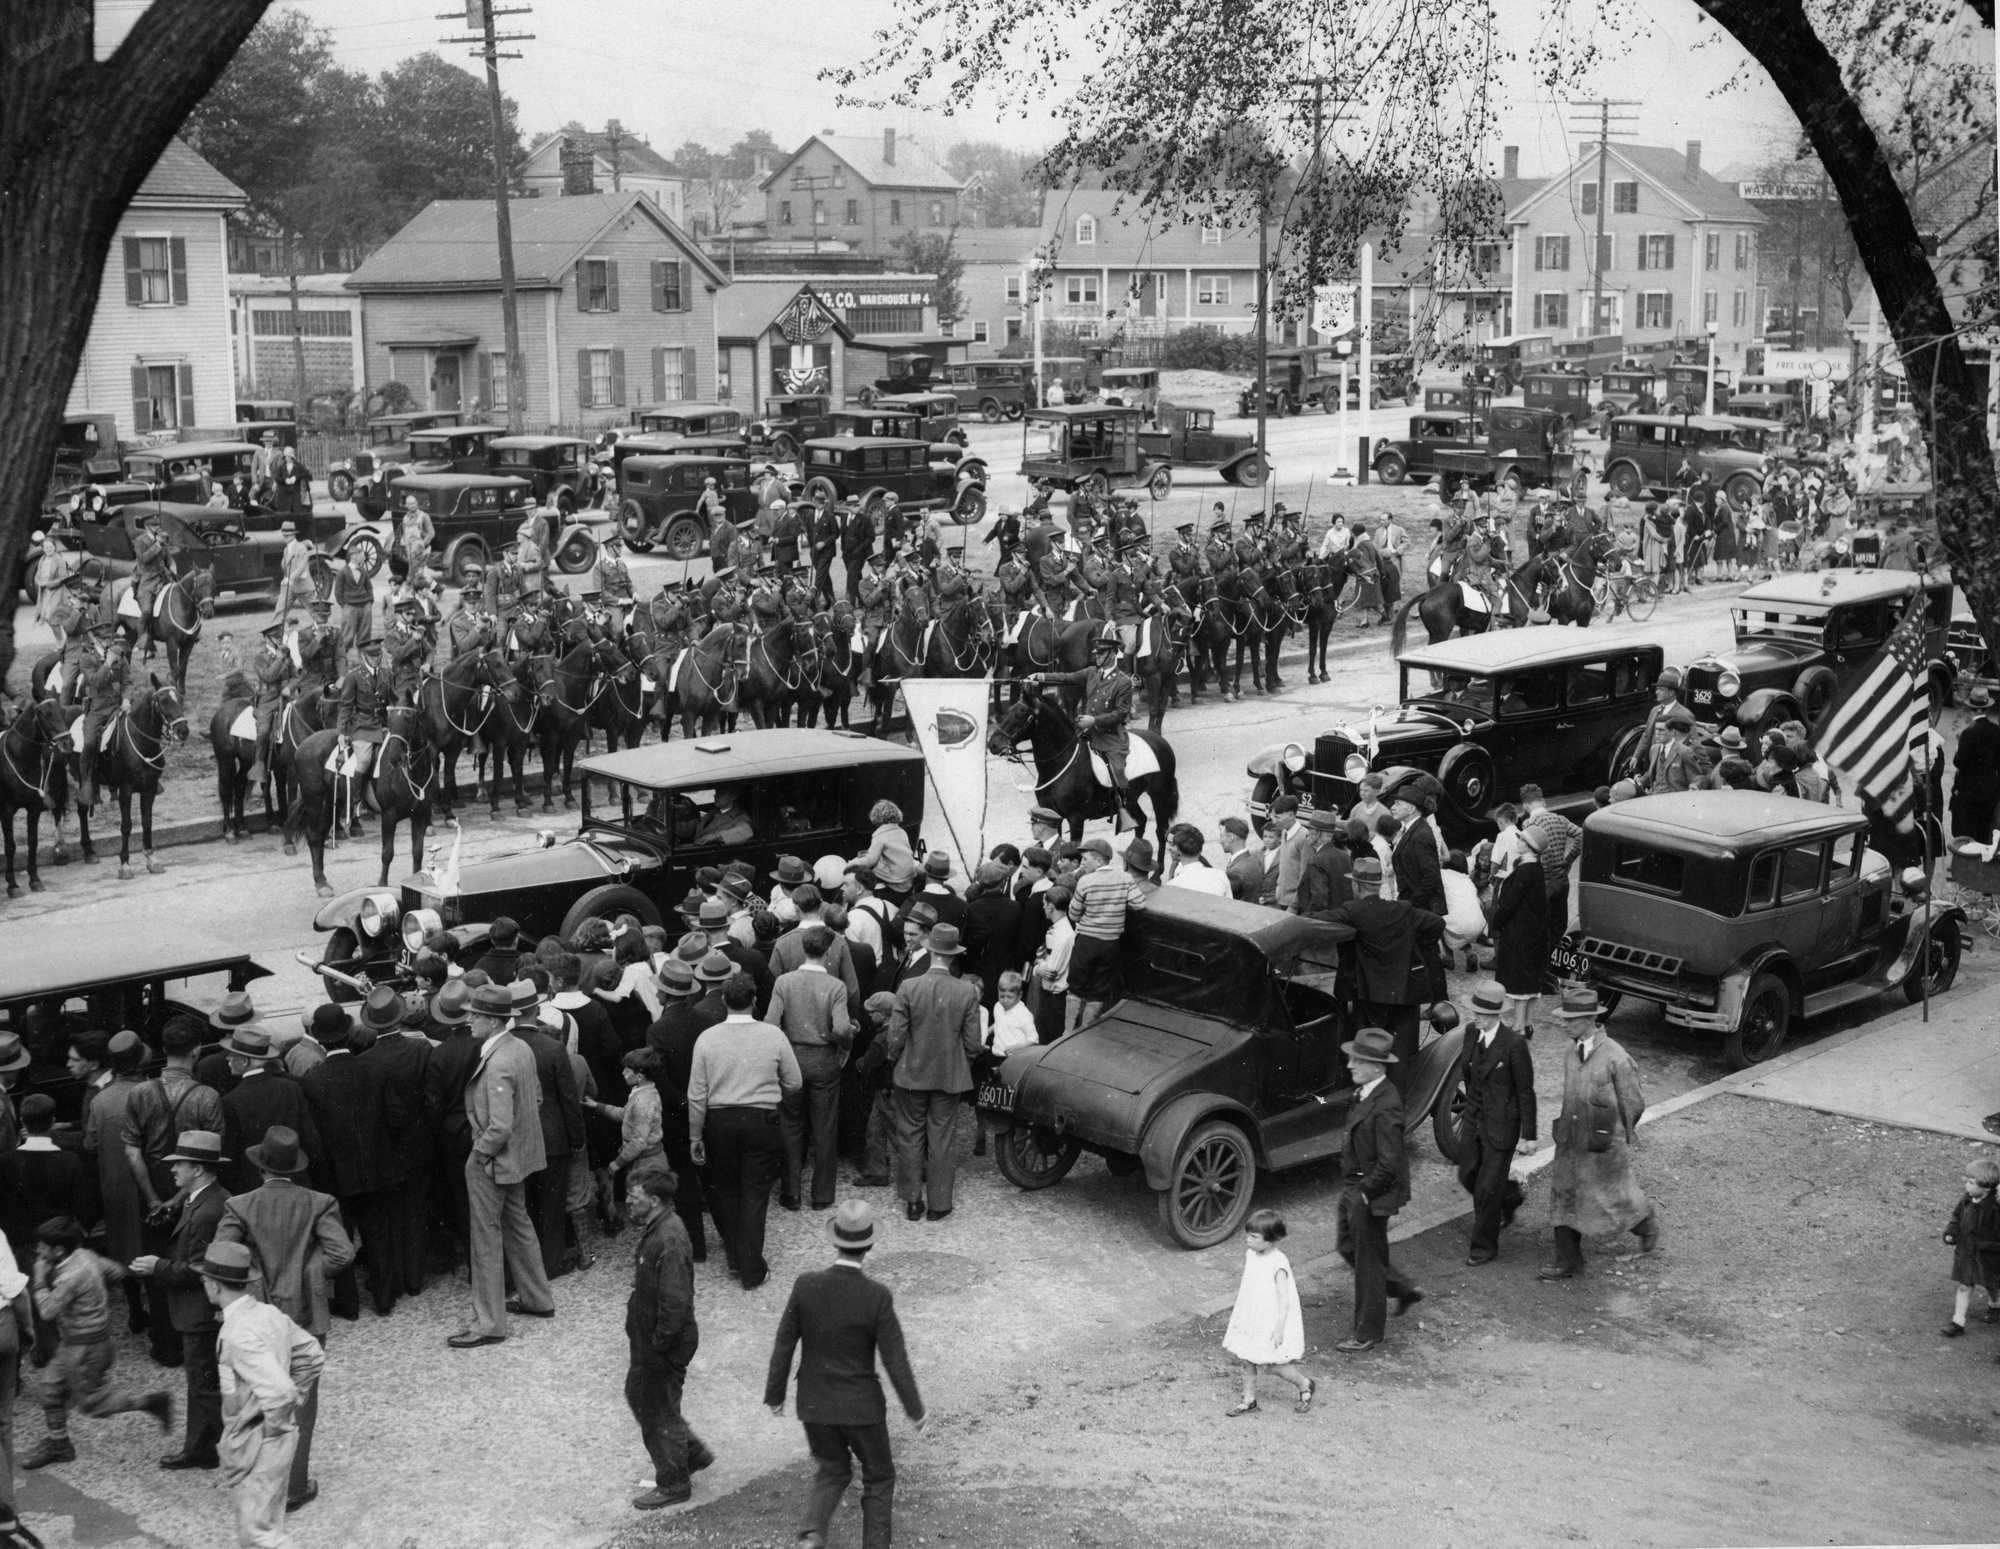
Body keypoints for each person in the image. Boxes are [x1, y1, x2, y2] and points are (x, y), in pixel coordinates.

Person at [763, 1200, 926, 1549]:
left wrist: (775, 1395)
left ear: (835, 1239)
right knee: (879, 1477)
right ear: (869, 1245)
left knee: (833, 1468)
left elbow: (784, 1344)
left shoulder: (805, 1285)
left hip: (814, 1404)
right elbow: (895, 1359)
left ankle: (812, 1534)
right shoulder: (877, 1296)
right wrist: (915, 1410)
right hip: (862, 1408)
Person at [210, 1126, 351, 1512]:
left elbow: (221, 1253)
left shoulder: (239, 1205)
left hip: (256, 1318)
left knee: (255, 1397)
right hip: (305, 1317)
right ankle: (294, 1487)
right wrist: (309, 1276)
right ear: (296, 1168)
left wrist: (254, 1280)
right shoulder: (319, 1202)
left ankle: (258, 1482)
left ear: (260, 1167)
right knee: (303, 1403)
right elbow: (341, 1254)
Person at [23, 1215, 172, 1473]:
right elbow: (116, 1271)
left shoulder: (70, 1275)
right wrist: (94, 1294)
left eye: (42, 1246)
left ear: (58, 1250)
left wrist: (38, 1278)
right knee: (49, 1388)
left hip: (84, 1350)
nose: (38, 1250)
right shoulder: (85, 1256)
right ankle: (60, 1446)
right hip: (80, 1344)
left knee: (94, 1405)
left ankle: (150, 1403)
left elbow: (47, 1311)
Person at [201, 1239, 325, 1549]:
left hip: (258, 1441)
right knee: (265, 1527)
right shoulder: (267, 1313)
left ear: (214, 1286)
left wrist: (271, 1431)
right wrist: (298, 1392)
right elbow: (312, 1354)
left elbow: (280, 1392)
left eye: (205, 1280)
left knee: (259, 1537)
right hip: (272, 1437)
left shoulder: (236, 1334)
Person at [450, 983, 555, 1347]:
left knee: (485, 1239)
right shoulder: (521, 1048)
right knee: (518, 1224)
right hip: (519, 1157)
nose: (469, 1021)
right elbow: (536, 1098)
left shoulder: (497, 1063)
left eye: (475, 1015)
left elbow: (499, 1125)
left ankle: (489, 1323)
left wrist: (480, 1154)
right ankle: (537, 1297)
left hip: (492, 1160)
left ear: (493, 1021)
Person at [687, 971, 800, 1290]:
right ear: (755, 1001)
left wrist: (695, 1134)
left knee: (727, 1190)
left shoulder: (707, 1039)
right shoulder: (773, 1035)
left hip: (720, 1121)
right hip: (762, 1120)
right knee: (755, 1193)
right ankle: (750, 1264)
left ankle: (737, 1257)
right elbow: (794, 1081)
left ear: (724, 1001)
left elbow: (697, 1094)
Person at [128, 1130, 231, 1470]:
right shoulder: (201, 1199)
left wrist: (157, 1266)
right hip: (197, 1309)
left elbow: (202, 1267)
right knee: (200, 1380)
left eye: (179, 1164)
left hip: (199, 1310)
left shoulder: (206, 1210)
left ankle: (237, 1450)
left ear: (198, 1169)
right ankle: (202, 1449)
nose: (172, 1170)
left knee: (203, 1385)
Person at [1539, 988, 1658, 1280]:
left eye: (1571, 1019)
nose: (1564, 1024)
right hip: (1570, 1140)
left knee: (1612, 1200)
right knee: (1563, 1194)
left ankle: (1644, 1222)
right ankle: (1569, 1261)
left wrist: (1613, 1133)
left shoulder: (1617, 1058)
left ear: (1590, 1019)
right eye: (1564, 1019)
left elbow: (1634, 1103)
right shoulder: (1570, 1051)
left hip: (1603, 1146)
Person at [623, 1161, 714, 1510]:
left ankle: (674, 1482)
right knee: (644, 1396)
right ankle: (691, 1453)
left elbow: (675, 1302)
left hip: (662, 1344)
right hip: (651, 1341)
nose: (628, 1202)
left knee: (656, 1407)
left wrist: (659, 1345)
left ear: (656, 1201)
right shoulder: (660, 1228)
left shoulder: (669, 1238)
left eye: (635, 1197)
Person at [885, 923, 982, 1223]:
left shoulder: (909, 987)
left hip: (911, 1072)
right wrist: (959, 1060)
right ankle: (939, 1203)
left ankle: (913, 1201)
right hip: (949, 1075)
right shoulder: (967, 991)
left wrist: (895, 1059)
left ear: (930, 949)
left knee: (910, 1134)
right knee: (942, 1137)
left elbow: (896, 1036)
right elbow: (973, 1043)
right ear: (953, 955)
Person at [1332, 1029, 1421, 1353]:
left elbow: (1391, 1161)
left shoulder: (1386, 1105)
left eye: (1359, 1060)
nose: (1350, 1064)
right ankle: (1402, 1288)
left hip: (1371, 1189)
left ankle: (1367, 1333)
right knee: (1347, 1245)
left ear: (1377, 1067)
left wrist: (1366, 1194)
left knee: (1368, 1260)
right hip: (1356, 1184)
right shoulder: (1367, 1091)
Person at [770, 926, 855, 1214]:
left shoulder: (784, 982)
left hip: (792, 1057)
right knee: (825, 1128)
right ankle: (821, 1195)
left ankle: (791, 1192)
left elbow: (771, 1023)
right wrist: (841, 1041)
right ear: (828, 951)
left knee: (791, 1125)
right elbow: (842, 1027)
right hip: (824, 1060)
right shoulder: (835, 987)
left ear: (803, 948)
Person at [1455, 985, 1538, 1266]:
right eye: (1475, 1011)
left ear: (1496, 1015)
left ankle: (1484, 1247)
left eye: (1483, 1014)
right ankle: (1510, 1196)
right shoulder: (1470, 1033)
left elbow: (1526, 1090)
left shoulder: (1513, 1044)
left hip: (1502, 1125)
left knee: (1487, 1187)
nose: (1477, 1017)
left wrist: (1529, 1135)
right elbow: (1469, 1073)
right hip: (1474, 1118)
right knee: (1467, 1174)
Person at [1222, 1208, 1313, 1417]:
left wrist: (1280, 1327)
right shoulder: (1251, 1255)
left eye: (1254, 1236)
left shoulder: (1278, 1263)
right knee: (1247, 1357)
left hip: (1271, 1319)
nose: (1248, 1239)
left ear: (1270, 1240)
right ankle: (1249, 1399)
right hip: (1252, 1315)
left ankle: (1305, 1384)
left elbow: (1284, 1298)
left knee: (1274, 1365)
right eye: (1248, 1234)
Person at [1030, 634, 1135, 800]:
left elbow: (1121, 713)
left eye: (1101, 653)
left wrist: (1094, 721)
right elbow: (1067, 678)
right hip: (1086, 732)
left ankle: (1123, 805)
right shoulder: (1091, 672)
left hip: (1110, 736)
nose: (1097, 657)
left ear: (1113, 654)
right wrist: (1041, 676)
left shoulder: (1123, 682)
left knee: (1118, 770)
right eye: (1096, 653)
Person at [1487, 825, 1551, 1038]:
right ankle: (1528, 1022)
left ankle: (1519, 1026)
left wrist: (1495, 922)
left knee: (1517, 982)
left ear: (1529, 846)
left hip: (1519, 932)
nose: (1518, 841)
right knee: (1529, 982)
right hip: (1534, 932)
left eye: (1522, 839)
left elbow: (1510, 904)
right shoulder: (1536, 869)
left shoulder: (1524, 871)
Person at [1940, 1155, 2000, 1338]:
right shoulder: (1966, 1200)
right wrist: (1951, 1232)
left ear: (1986, 1188)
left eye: (1971, 1182)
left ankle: (1994, 1305)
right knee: (1965, 1285)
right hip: (1966, 1252)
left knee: (1992, 1284)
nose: (1966, 1185)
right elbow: (1956, 1217)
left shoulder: (1995, 1209)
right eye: (1967, 1180)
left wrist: (1988, 1246)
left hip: (1987, 1256)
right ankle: (1958, 1322)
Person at [1951, 689, 2000, 842]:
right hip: (1990, 791)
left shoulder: (1968, 733)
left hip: (1968, 793)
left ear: (1971, 708)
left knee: (1966, 835)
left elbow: (1959, 762)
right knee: (1984, 834)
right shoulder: (1996, 731)